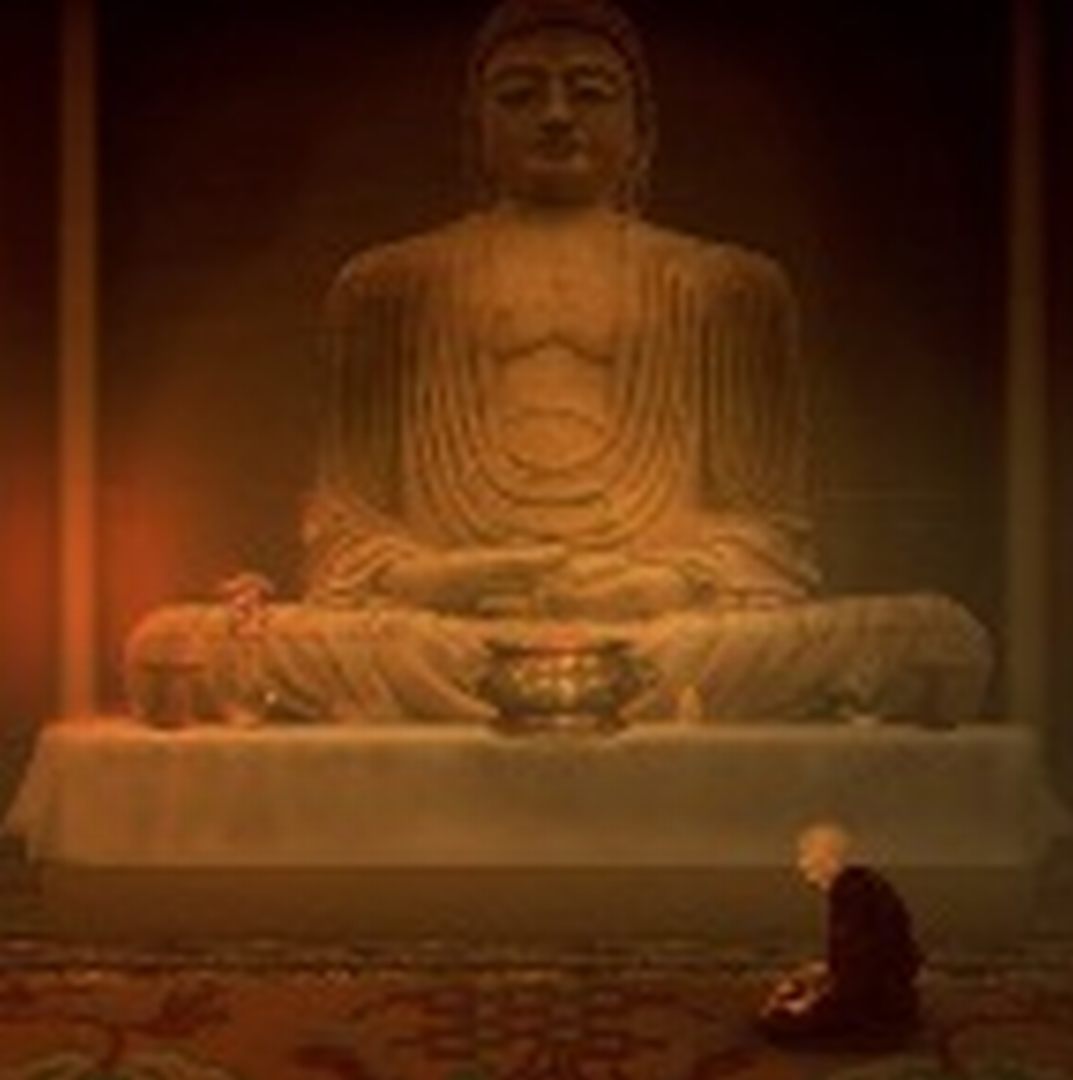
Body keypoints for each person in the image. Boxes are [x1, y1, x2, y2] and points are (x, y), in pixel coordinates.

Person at [125, 0, 992, 725]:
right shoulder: (386, 285)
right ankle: (562, 692)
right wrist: (449, 577)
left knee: (935, 645)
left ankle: (560, 687)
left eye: (589, 92)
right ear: (476, 128)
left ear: (640, 124)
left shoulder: (729, 286)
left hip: (657, 631)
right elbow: (347, 531)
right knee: (171, 649)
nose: (554, 114)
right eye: (518, 93)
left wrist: (652, 588)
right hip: (446, 631)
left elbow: (767, 538)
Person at [758, 822, 922, 1049]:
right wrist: (818, 975)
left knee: (774, 1019)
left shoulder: (850, 894)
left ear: (827, 857)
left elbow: (856, 977)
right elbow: (863, 957)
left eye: (805, 855)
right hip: (890, 992)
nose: (800, 864)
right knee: (799, 983)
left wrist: (809, 1004)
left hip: (877, 1003)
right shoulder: (863, 883)